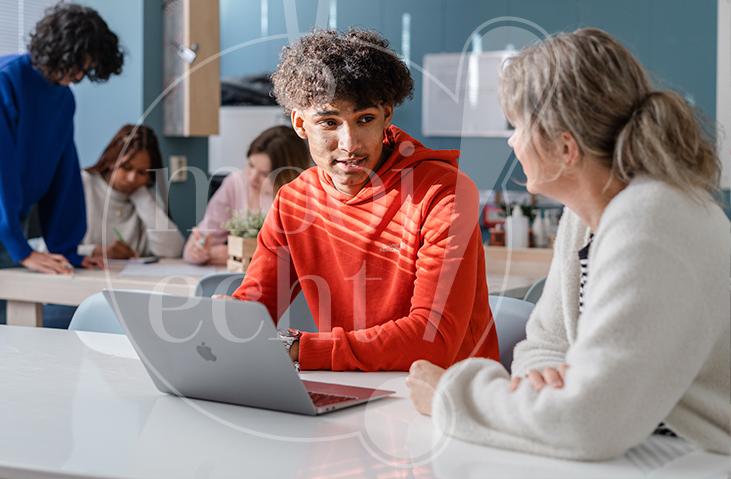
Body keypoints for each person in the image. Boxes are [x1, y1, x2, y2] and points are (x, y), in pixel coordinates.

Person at [407, 28, 730, 459]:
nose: (511, 141)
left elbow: (590, 423)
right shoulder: (585, 216)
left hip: (696, 458)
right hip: (641, 448)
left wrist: (451, 393)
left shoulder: (651, 219)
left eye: (517, 125)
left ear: (564, 148)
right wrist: (546, 385)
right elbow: (545, 343)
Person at [226, 27, 500, 372]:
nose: (350, 143)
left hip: (449, 396)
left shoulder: (442, 193)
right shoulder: (293, 201)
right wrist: (224, 322)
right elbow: (253, 309)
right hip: (353, 385)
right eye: (328, 122)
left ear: (387, 114)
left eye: (365, 119)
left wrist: (302, 348)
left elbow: (433, 342)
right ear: (299, 123)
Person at [0, 2, 123, 323]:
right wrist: (22, 249)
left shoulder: (64, 99)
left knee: (5, 329)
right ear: (57, 49)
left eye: (86, 69)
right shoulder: (0, 80)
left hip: (10, 217)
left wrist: (69, 250)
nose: (77, 75)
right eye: (75, 64)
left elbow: (63, 172)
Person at [183, 125, 310, 264]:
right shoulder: (235, 183)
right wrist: (196, 251)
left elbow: (302, 256)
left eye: (264, 173)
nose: (252, 178)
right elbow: (200, 241)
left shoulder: (308, 197)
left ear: (288, 175)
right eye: (251, 165)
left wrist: (240, 254)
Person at [79, 124, 185, 259]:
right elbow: (47, 249)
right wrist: (96, 251)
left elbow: (172, 250)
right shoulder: (83, 184)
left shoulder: (146, 196)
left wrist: (142, 198)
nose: (132, 179)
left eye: (142, 172)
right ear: (111, 160)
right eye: (126, 167)